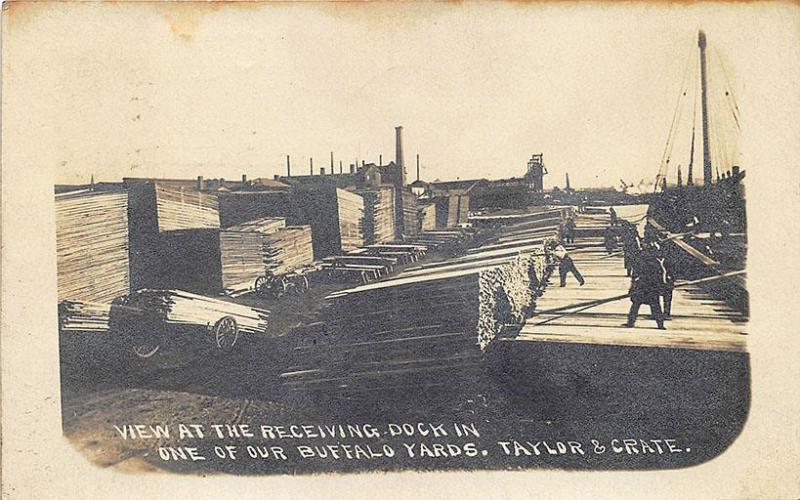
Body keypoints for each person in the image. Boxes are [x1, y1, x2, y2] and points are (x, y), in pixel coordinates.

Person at [624, 243, 666, 330]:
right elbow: (661, 275)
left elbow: (635, 276)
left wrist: (632, 287)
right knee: (656, 306)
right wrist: (661, 286)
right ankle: (660, 324)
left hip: (641, 286)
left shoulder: (640, 261)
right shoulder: (656, 262)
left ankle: (631, 322)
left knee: (636, 305)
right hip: (652, 288)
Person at [653, 242, 675, 320]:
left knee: (667, 299)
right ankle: (657, 314)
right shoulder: (654, 261)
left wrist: (671, 279)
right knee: (655, 299)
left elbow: (673, 271)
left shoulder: (669, 261)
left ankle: (666, 314)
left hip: (667, 282)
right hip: (657, 282)